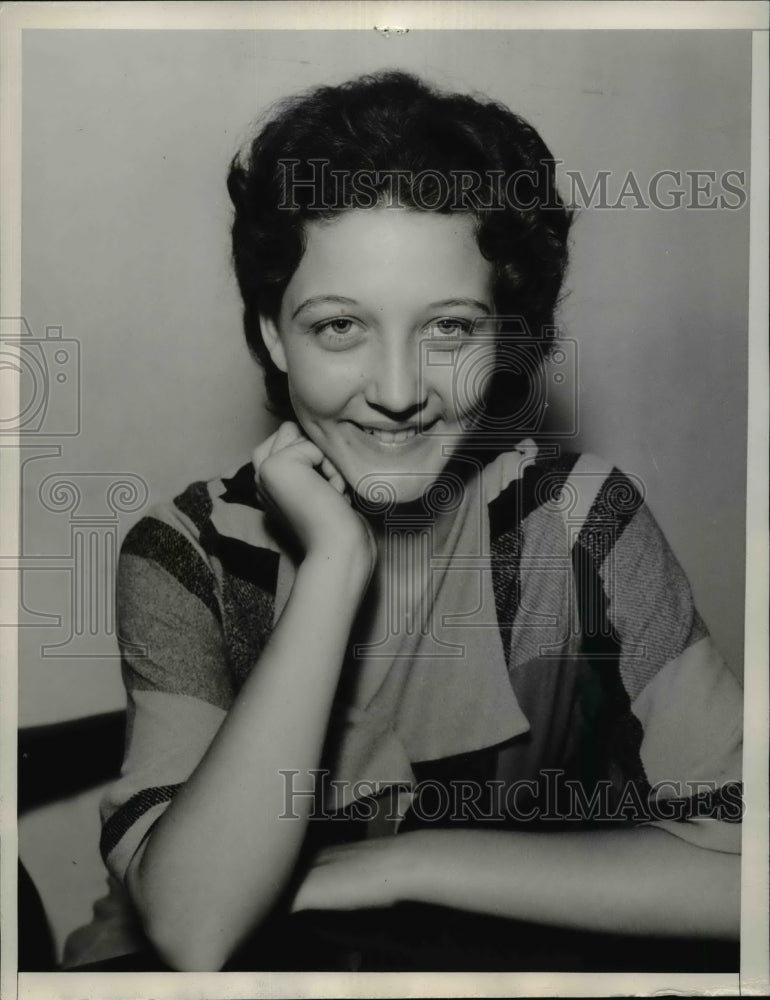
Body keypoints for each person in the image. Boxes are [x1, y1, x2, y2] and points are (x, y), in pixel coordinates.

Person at [64, 71, 743, 972]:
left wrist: (410, 862)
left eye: (452, 329)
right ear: (273, 335)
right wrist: (337, 564)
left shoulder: (581, 524)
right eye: (339, 326)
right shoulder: (188, 554)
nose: (395, 392)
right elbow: (197, 928)